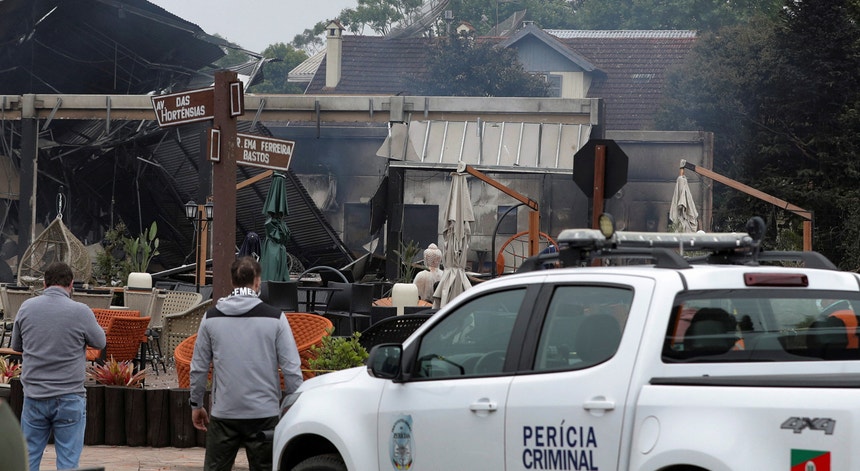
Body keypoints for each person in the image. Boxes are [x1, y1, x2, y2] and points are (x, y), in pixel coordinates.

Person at [190, 256, 303, 471]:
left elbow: (198, 368)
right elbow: (291, 370)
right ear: (258, 282)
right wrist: (293, 407)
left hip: (224, 414)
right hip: (265, 414)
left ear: (232, 283)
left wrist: (196, 404)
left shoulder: (210, 318)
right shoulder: (276, 318)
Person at [11, 261, 106, 470]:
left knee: (27, 460)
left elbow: (16, 346)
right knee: (68, 463)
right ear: (71, 284)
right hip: (69, 396)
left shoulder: (27, 307)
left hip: (35, 395)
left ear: (44, 284)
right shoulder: (81, 311)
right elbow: (100, 342)